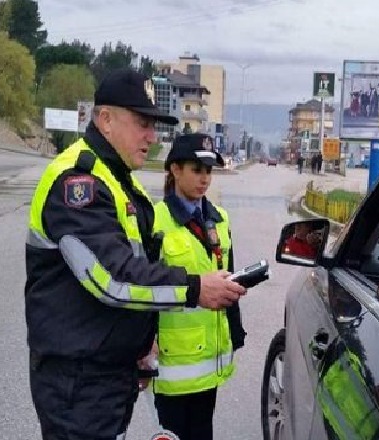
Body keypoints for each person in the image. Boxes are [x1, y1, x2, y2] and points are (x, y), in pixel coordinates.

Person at [24, 68, 247, 439]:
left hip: (107, 371)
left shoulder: (117, 179)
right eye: (142, 123)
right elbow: (113, 277)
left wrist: (140, 344)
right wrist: (195, 288)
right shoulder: (79, 182)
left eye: (154, 125)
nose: (151, 136)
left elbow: (136, 271)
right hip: (79, 380)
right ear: (106, 120)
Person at [150, 133, 247, 440]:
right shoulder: (155, 220)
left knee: (204, 432)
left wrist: (235, 330)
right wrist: (142, 339)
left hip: (210, 359)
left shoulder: (219, 219)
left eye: (209, 171)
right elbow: (143, 286)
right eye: (196, 170)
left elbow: (226, 274)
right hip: (173, 359)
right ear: (175, 170)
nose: (205, 179)